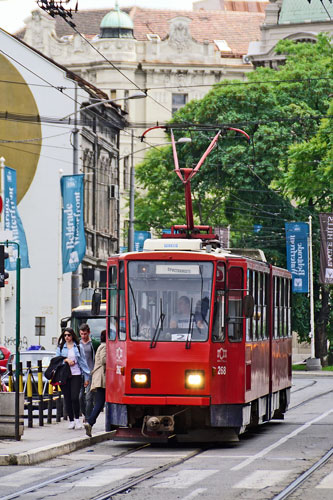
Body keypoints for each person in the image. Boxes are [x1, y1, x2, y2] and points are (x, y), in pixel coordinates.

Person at [56, 327, 91, 430]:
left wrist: (87, 377)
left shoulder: (78, 347)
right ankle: (71, 420)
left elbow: (83, 362)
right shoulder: (61, 347)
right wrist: (66, 360)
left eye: (69, 335)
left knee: (75, 397)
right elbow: (56, 360)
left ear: (72, 336)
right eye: (65, 335)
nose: (67, 337)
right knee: (67, 398)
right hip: (64, 375)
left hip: (76, 374)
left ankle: (77, 419)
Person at [84, 330, 106, 437]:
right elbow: (104, 360)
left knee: (99, 402)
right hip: (102, 379)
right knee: (99, 403)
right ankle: (90, 421)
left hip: (100, 378)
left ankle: (90, 422)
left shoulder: (101, 346)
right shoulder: (104, 347)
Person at [79, 323, 99, 420]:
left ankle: (87, 418)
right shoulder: (78, 344)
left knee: (89, 397)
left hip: (90, 373)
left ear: (89, 333)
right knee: (79, 397)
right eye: (82, 334)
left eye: (85, 334)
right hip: (80, 373)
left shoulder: (93, 343)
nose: (83, 336)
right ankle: (84, 413)